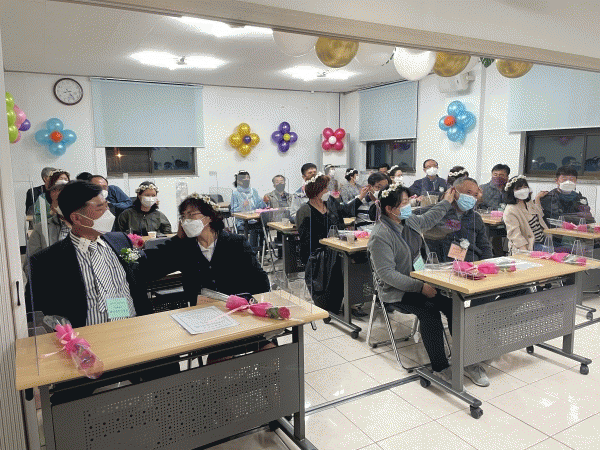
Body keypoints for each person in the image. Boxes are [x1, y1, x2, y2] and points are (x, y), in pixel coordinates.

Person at [368, 183, 489, 386]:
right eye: (404, 203)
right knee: (429, 311)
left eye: (408, 201)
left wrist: (446, 202)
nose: (409, 206)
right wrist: (420, 287)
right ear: (389, 209)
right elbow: (387, 275)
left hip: (422, 281)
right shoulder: (381, 235)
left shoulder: (408, 221)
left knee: (454, 306)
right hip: (397, 290)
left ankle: (468, 360)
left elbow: (429, 218)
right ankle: (440, 367)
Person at [145, 194, 274, 359]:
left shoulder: (236, 243)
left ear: (210, 216)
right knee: (221, 361)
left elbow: (260, 280)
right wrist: (178, 239)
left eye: (191, 214)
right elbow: (152, 268)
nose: (186, 221)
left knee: (271, 353)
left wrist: (251, 305)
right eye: (183, 216)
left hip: (240, 314)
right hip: (205, 320)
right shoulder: (184, 248)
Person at [29, 181, 152, 327]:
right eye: (100, 209)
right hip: (86, 336)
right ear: (76, 218)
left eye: (107, 206)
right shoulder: (47, 261)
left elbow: (147, 268)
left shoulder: (120, 240)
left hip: (132, 327)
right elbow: (38, 311)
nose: (108, 213)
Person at [296, 173, 367, 315]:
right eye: (325, 189)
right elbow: (306, 242)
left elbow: (346, 212)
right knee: (341, 262)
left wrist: (360, 197)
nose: (327, 191)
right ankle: (340, 302)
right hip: (319, 253)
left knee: (361, 257)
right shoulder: (305, 211)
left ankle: (354, 299)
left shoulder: (331, 203)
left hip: (338, 247)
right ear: (316, 191)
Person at [424, 177, 493, 263]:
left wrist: (487, 264)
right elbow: (413, 218)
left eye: (475, 195)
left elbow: (485, 246)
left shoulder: (475, 218)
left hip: (470, 264)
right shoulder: (437, 212)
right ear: (454, 191)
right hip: (441, 264)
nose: (471, 198)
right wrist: (445, 202)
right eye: (468, 193)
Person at [24, 184, 70, 269]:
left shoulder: (88, 225)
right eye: (59, 200)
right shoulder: (41, 229)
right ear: (52, 207)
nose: (66, 203)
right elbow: (29, 266)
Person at [503, 176, 549, 253]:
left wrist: (537, 198)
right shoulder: (510, 210)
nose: (523, 190)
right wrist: (525, 253)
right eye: (518, 188)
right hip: (530, 246)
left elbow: (539, 214)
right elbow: (515, 235)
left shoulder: (528, 202)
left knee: (566, 251)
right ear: (512, 191)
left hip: (542, 241)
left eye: (525, 187)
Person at [231, 170, 266, 253]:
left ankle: (263, 251)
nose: (247, 179)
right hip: (242, 222)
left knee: (264, 227)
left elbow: (260, 206)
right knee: (255, 229)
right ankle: (252, 251)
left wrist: (264, 201)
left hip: (255, 219)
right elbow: (232, 211)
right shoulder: (235, 194)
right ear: (239, 181)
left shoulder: (254, 191)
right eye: (244, 178)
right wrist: (242, 206)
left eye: (248, 177)